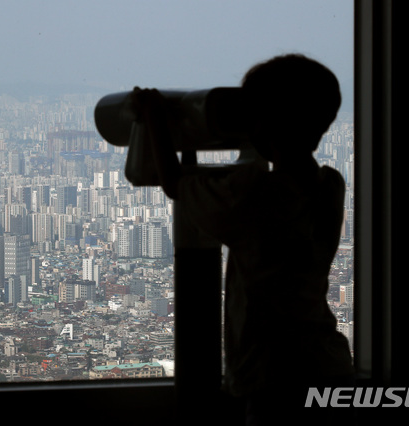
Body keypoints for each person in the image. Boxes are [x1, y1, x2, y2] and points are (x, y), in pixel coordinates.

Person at [133, 54, 355, 425]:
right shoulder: (330, 185)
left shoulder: (252, 196)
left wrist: (155, 116)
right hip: (330, 365)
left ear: (261, 123)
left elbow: (174, 182)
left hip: (275, 378)